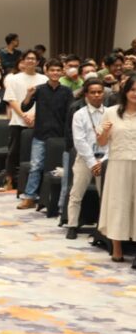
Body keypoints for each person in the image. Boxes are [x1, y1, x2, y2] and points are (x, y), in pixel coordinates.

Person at [17, 59, 73, 210]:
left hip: (60, 135)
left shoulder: (67, 91)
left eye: (58, 70)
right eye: (52, 70)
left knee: (59, 168)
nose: (55, 73)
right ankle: (30, 197)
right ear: (46, 71)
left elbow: (70, 113)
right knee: (36, 166)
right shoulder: (39, 89)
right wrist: (28, 95)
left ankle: (57, 200)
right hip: (40, 134)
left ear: (62, 72)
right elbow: (24, 107)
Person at [96, 77, 136, 264]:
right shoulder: (111, 112)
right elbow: (101, 143)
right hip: (118, 164)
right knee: (118, 204)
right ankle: (117, 247)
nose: (135, 93)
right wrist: (104, 131)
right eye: (132, 89)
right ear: (125, 91)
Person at [65, 79, 108, 239]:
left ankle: (102, 227)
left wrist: (102, 161)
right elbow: (79, 141)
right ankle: (72, 225)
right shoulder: (79, 114)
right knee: (76, 193)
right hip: (85, 158)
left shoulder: (110, 113)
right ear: (86, 95)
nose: (96, 95)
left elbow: (113, 139)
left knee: (105, 195)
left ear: (104, 93)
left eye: (99, 92)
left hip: (105, 159)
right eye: (93, 92)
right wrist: (92, 162)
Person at [2, 51, 45, 192]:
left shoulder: (44, 79)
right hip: (17, 120)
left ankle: (28, 184)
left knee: (34, 154)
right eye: (28, 58)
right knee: (13, 152)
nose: (31, 61)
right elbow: (11, 99)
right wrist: (24, 115)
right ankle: (9, 181)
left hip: (37, 121)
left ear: (38, 62)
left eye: (34, 59)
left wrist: (34, 116)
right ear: (23, 61)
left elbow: (44, 102)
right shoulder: (14, 79)